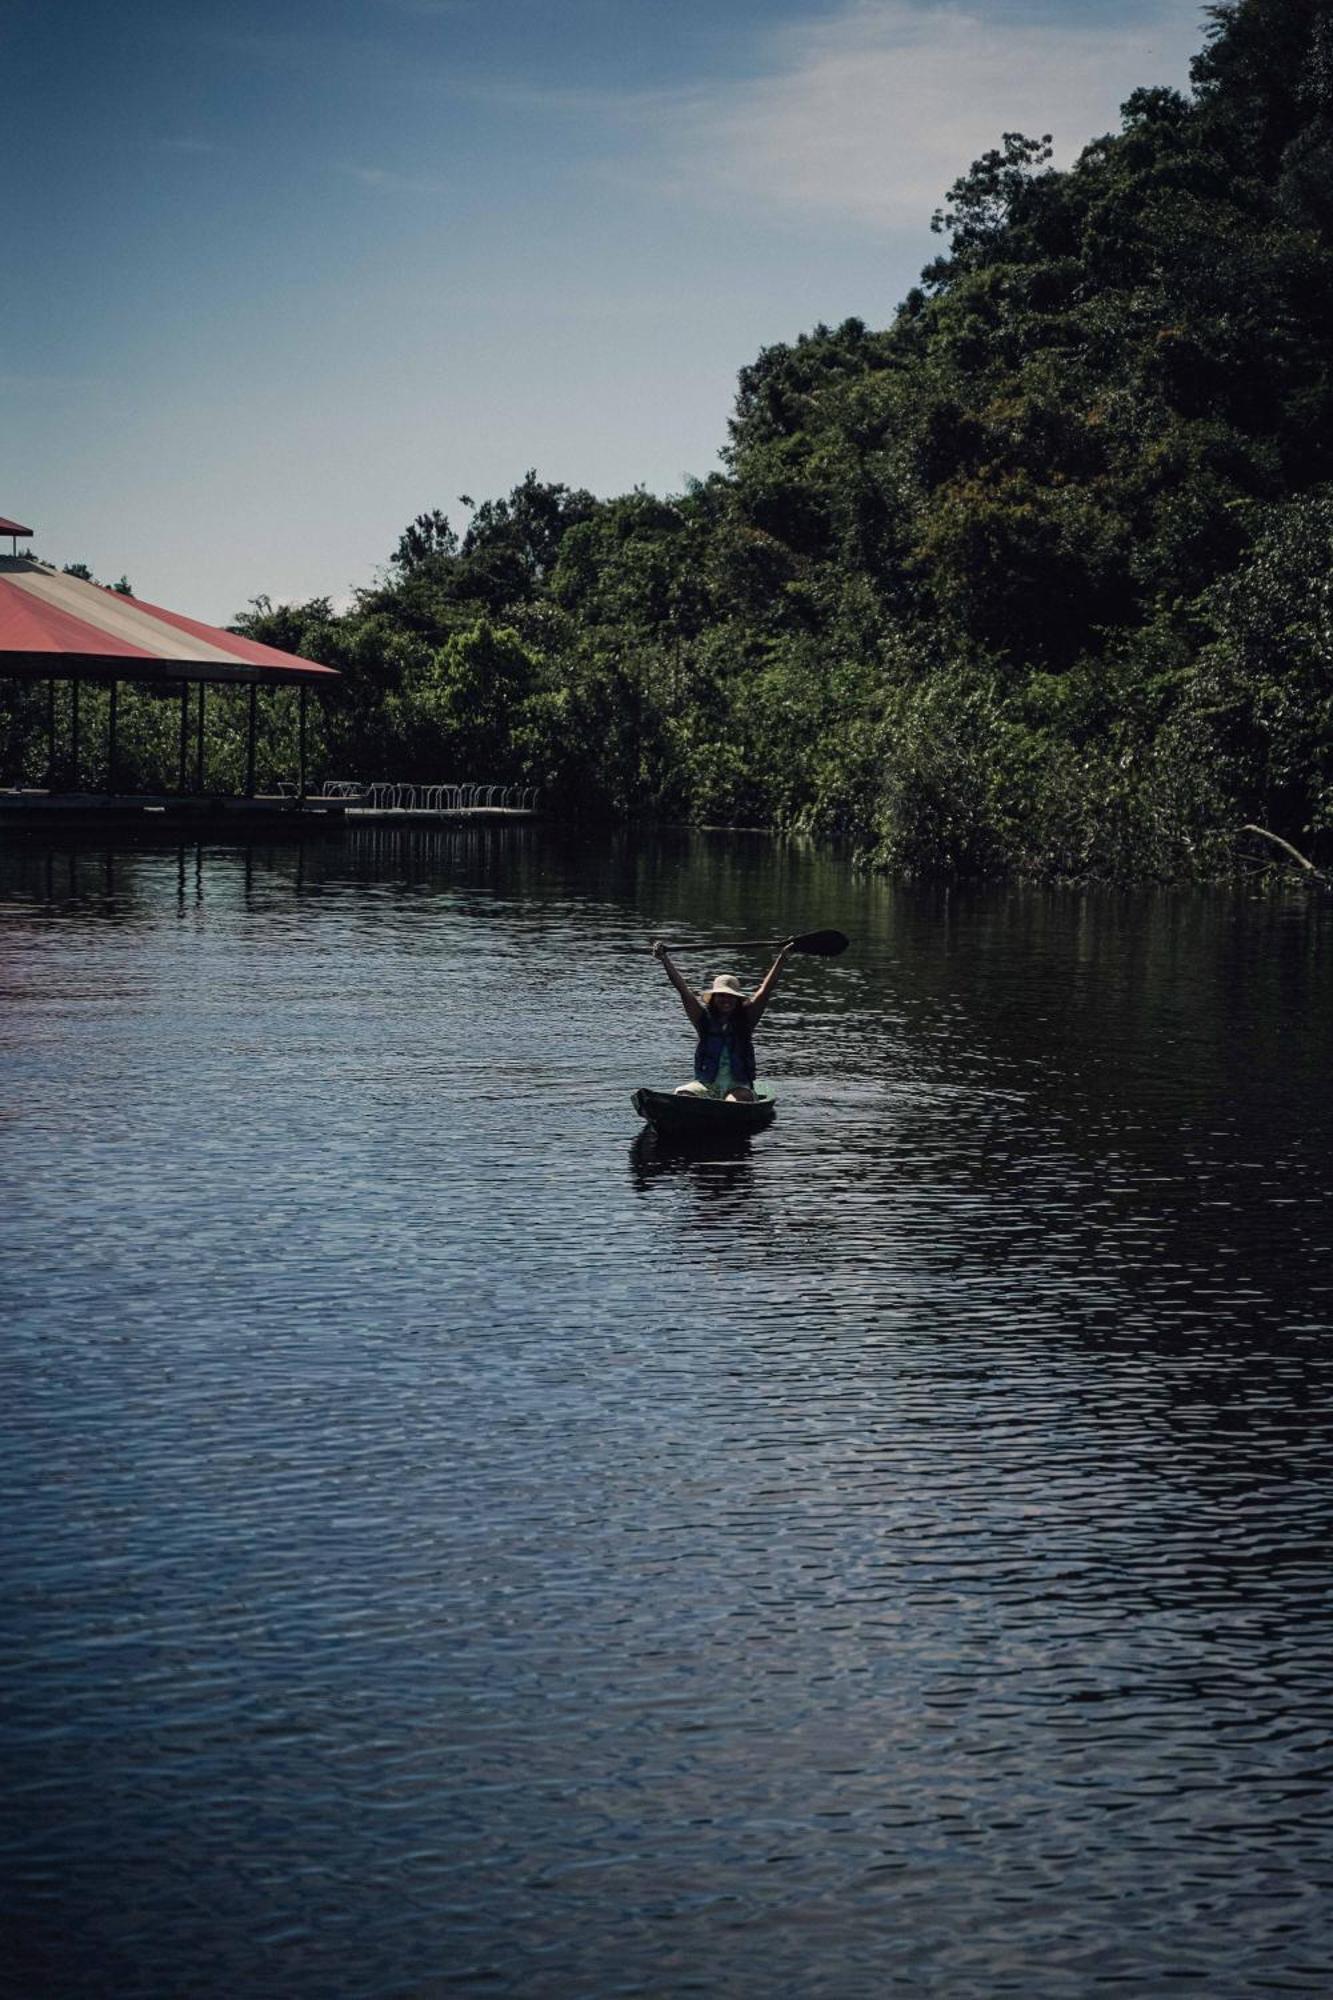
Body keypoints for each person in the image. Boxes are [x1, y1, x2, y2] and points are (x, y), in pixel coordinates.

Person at [652, 939, 792, 1101]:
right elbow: (683, 990)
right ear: (713, 998)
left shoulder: (747, 1020)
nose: (726, 1000)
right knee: (682, 1094)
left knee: (733, 1101)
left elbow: (765, 990)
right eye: (721, 995)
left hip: (738, 1087)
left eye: (731, 996)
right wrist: (665, 960)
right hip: (707, 1085)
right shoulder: (702, 1020)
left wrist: (782, 958)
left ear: (737, 1000)